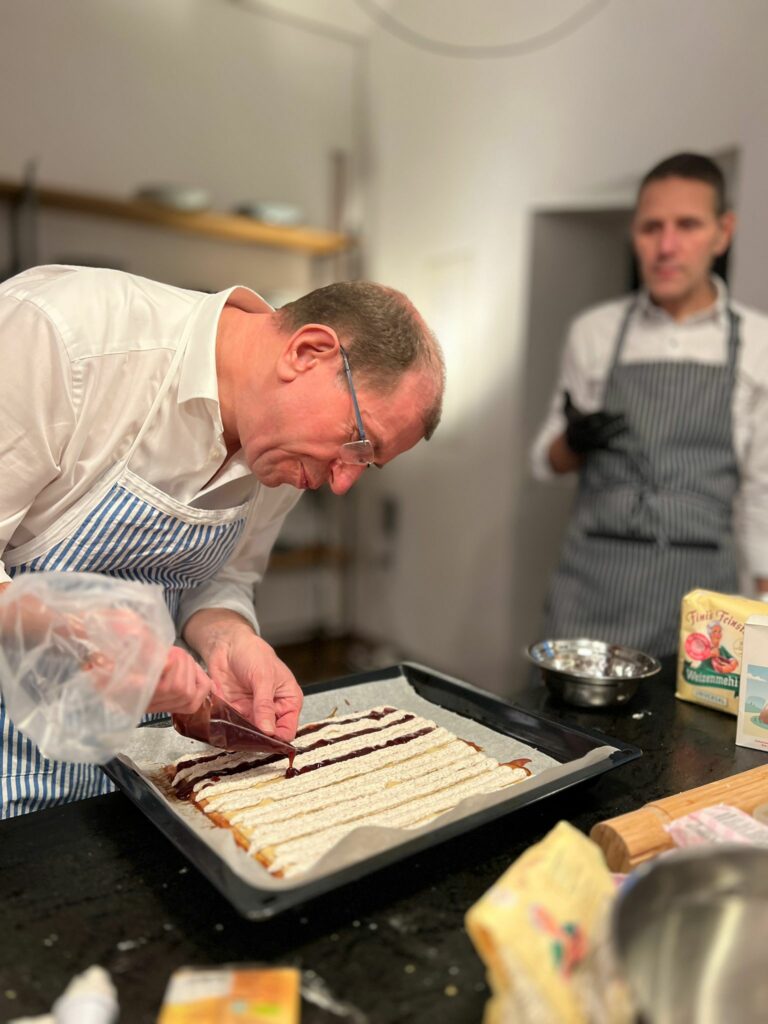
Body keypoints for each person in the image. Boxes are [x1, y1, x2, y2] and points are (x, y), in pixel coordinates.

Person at [0, 265, 444, 815]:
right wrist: (87, 634)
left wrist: (229, 638)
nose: (342, 481)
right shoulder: (64, 338)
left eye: (366, 464)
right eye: (358, 443)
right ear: (307, 353)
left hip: (138, 770)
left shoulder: (281, 450)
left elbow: (221, 578)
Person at [530, 153, 768, 656]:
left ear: (723, 233)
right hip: (591, 591)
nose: (666, 246)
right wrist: (573, 442)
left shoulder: (758, 345)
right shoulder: (595, 333)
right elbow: (545, 462)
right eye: (650, 227)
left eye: (687, 225)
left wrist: (761, 612)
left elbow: (759, 493)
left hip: (704, 609)